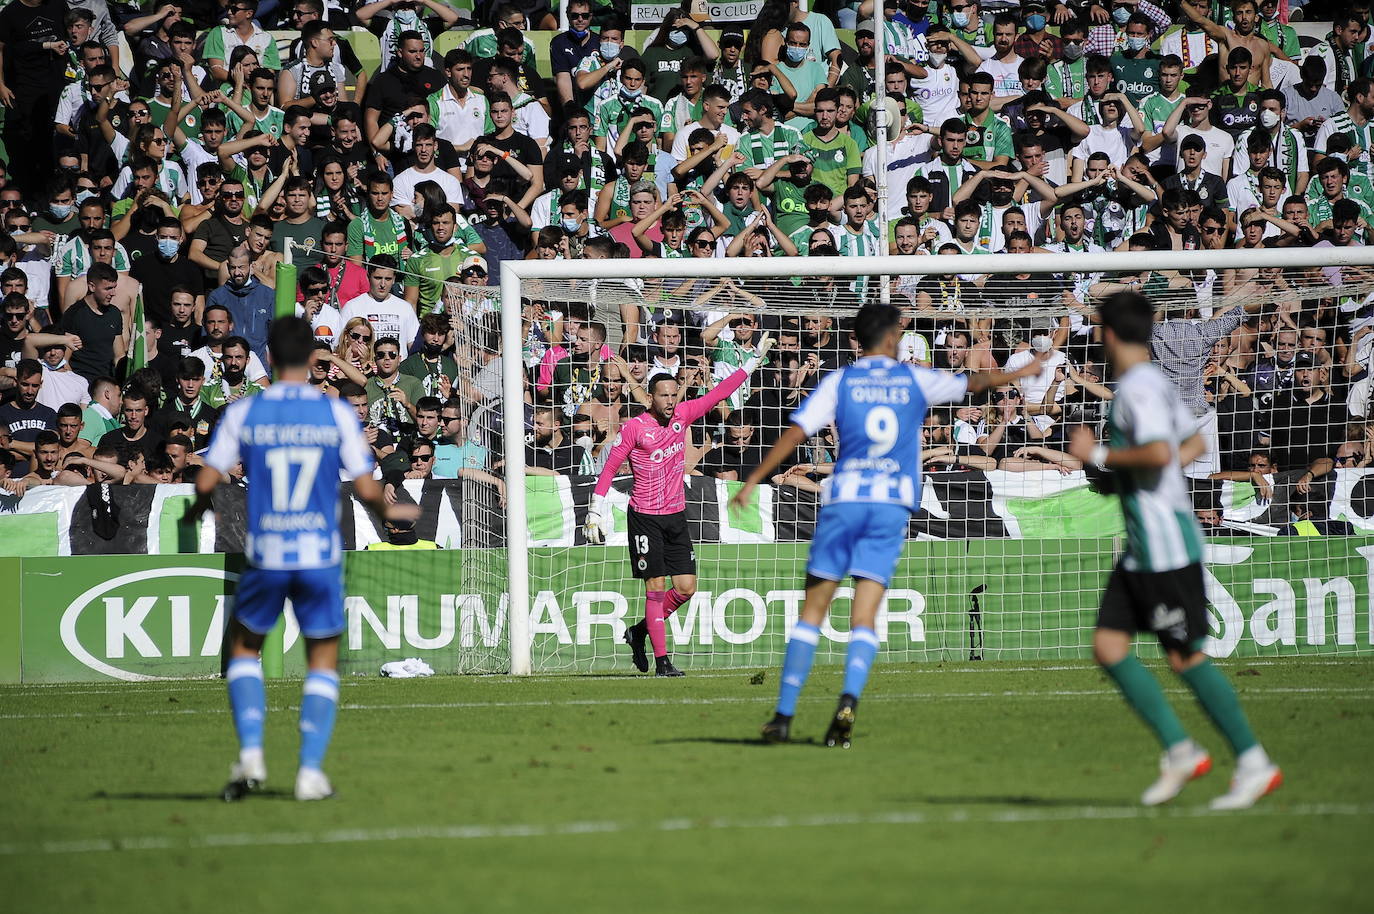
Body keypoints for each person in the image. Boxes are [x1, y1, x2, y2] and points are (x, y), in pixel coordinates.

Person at [733, 303, 1038, 746]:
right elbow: (976, 382)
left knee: (812, 612)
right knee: (865, 614)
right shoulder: (913, 378)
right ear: (893, 339)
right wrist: (1027, 369)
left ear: (856, 340)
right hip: (892, 505)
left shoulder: (841, 381)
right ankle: (849, 701)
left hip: (846, 500)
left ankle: (782, 716)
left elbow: (796, 432)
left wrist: (754, 481)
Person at [185, 317, 416, 803]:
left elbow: (208, 476)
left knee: (244, 649)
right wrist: (388, 509)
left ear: (267, 357)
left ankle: (251, 753)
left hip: (268, 549)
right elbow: (365, 483)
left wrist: (200, 506)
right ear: (313, 358)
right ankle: (309, 771)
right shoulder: (335, 414)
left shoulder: (246, 412)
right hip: (318, 552)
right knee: (322, 658)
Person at [1066, 291, 1281, 811]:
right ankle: (1181, 751)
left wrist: (1097, 454)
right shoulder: (1158, 384)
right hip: (1143, 545)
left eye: (1099, 329)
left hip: (1164, 547)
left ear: (1110, 334)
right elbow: (1192, 446)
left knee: (1186, 659)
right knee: (1109, 647)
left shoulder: (1138, 390)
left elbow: (1163, 453)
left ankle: (1254, 762)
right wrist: (1136, 481)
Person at [583, 333, 777, 677]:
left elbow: (720, 392)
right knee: (655, 588)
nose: (671, 401)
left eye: (674, 395)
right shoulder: (634, 429)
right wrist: (594, 510)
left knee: (686, 588)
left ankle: (639, 631)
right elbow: (610, 468)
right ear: (650, 398)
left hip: (675, 516)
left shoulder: (683, 415)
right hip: (644, 518)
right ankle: (663, 662)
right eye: (664, 396)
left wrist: (752, 362)